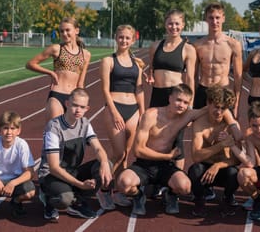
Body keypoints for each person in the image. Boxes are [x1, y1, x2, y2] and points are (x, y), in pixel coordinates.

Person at [116, 84, 208, 216]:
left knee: (185, 187)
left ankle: (169, 194)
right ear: (170, 98)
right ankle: (138, 196)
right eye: (179, 100)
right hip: (144, 165)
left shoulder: (186, 115)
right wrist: (167, 156)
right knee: (123, 183)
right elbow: (138, 151)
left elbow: (211, 109)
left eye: (186, 102)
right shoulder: (151, 115)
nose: (181, 105)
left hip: (165, 167)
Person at [38, 88, 113, 222]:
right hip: (52, 175)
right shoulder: (54, 127)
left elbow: (98, 149)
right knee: (64, 199)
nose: (78, 110)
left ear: (87, 109)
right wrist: (80, 184)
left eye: (82, 107)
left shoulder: (85, 123)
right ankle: (48, 198)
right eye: (75, 105)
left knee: (106, 166)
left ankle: (77, 200)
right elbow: (54, 167)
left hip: (72, 172)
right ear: (67, 104)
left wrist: (104, 163)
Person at [101, 25, 145, 206]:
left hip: (133, 109)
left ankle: (119, 191)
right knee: (118, 153)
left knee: (126, 155)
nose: (124, 41)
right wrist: (114, 113)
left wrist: (142, 113)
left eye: (127, 38)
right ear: (115, 38)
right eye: (121, 37)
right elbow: (104, 89)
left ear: (133, 40)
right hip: (115, 107)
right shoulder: (108, 61)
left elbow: (140, 89)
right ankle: (103, 189)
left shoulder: (137, 63)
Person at [147, 9, 197, 170]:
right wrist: (150, 77)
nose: (173, 27)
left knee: (177, 139)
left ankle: (176, 178)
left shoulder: (188, 49)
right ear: (165, 24)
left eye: (177, 23)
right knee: (155, 136)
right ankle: (157, 177)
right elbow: (151, 70)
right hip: (157, 95)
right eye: (170, 23)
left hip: (176, 97)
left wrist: (190, 106)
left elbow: (190, 79)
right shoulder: (155, 46)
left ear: (182, 25)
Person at [188, 84, 243, 218]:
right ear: (208, 103)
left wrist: (217, 165)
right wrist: (222, 145)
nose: (219, 112)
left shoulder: (231, 126)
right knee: (194, 170)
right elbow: (195, 156)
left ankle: (227, 197)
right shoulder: (199, 125)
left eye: (223, 108)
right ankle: (200, 199)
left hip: (223, 167)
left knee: (235, 173)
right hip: (205, 169)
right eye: (216, 107)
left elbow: (238, 159)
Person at [26, 16, 91, 122]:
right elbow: (30, 64)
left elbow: (81, 83)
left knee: (71, 135)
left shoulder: (86, 54)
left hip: (73, 99)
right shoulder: (56, 49)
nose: (64, 34)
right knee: (55, 132)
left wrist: (82, 102)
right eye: (62, 31)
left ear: (76, 30)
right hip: (57, 95)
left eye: (67, 30)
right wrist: (50, 73)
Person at [193, 2, 243, 117]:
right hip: (203, 91)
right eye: (211, 18)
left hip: (223, 91)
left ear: (223, 18)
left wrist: (236, 104)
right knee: (199, 129)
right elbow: (193, 76)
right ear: (206, 19)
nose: (214, 22)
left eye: (217, 18)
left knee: (223, 132)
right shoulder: (198, 45)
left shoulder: (233, 44)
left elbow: (237, 77)